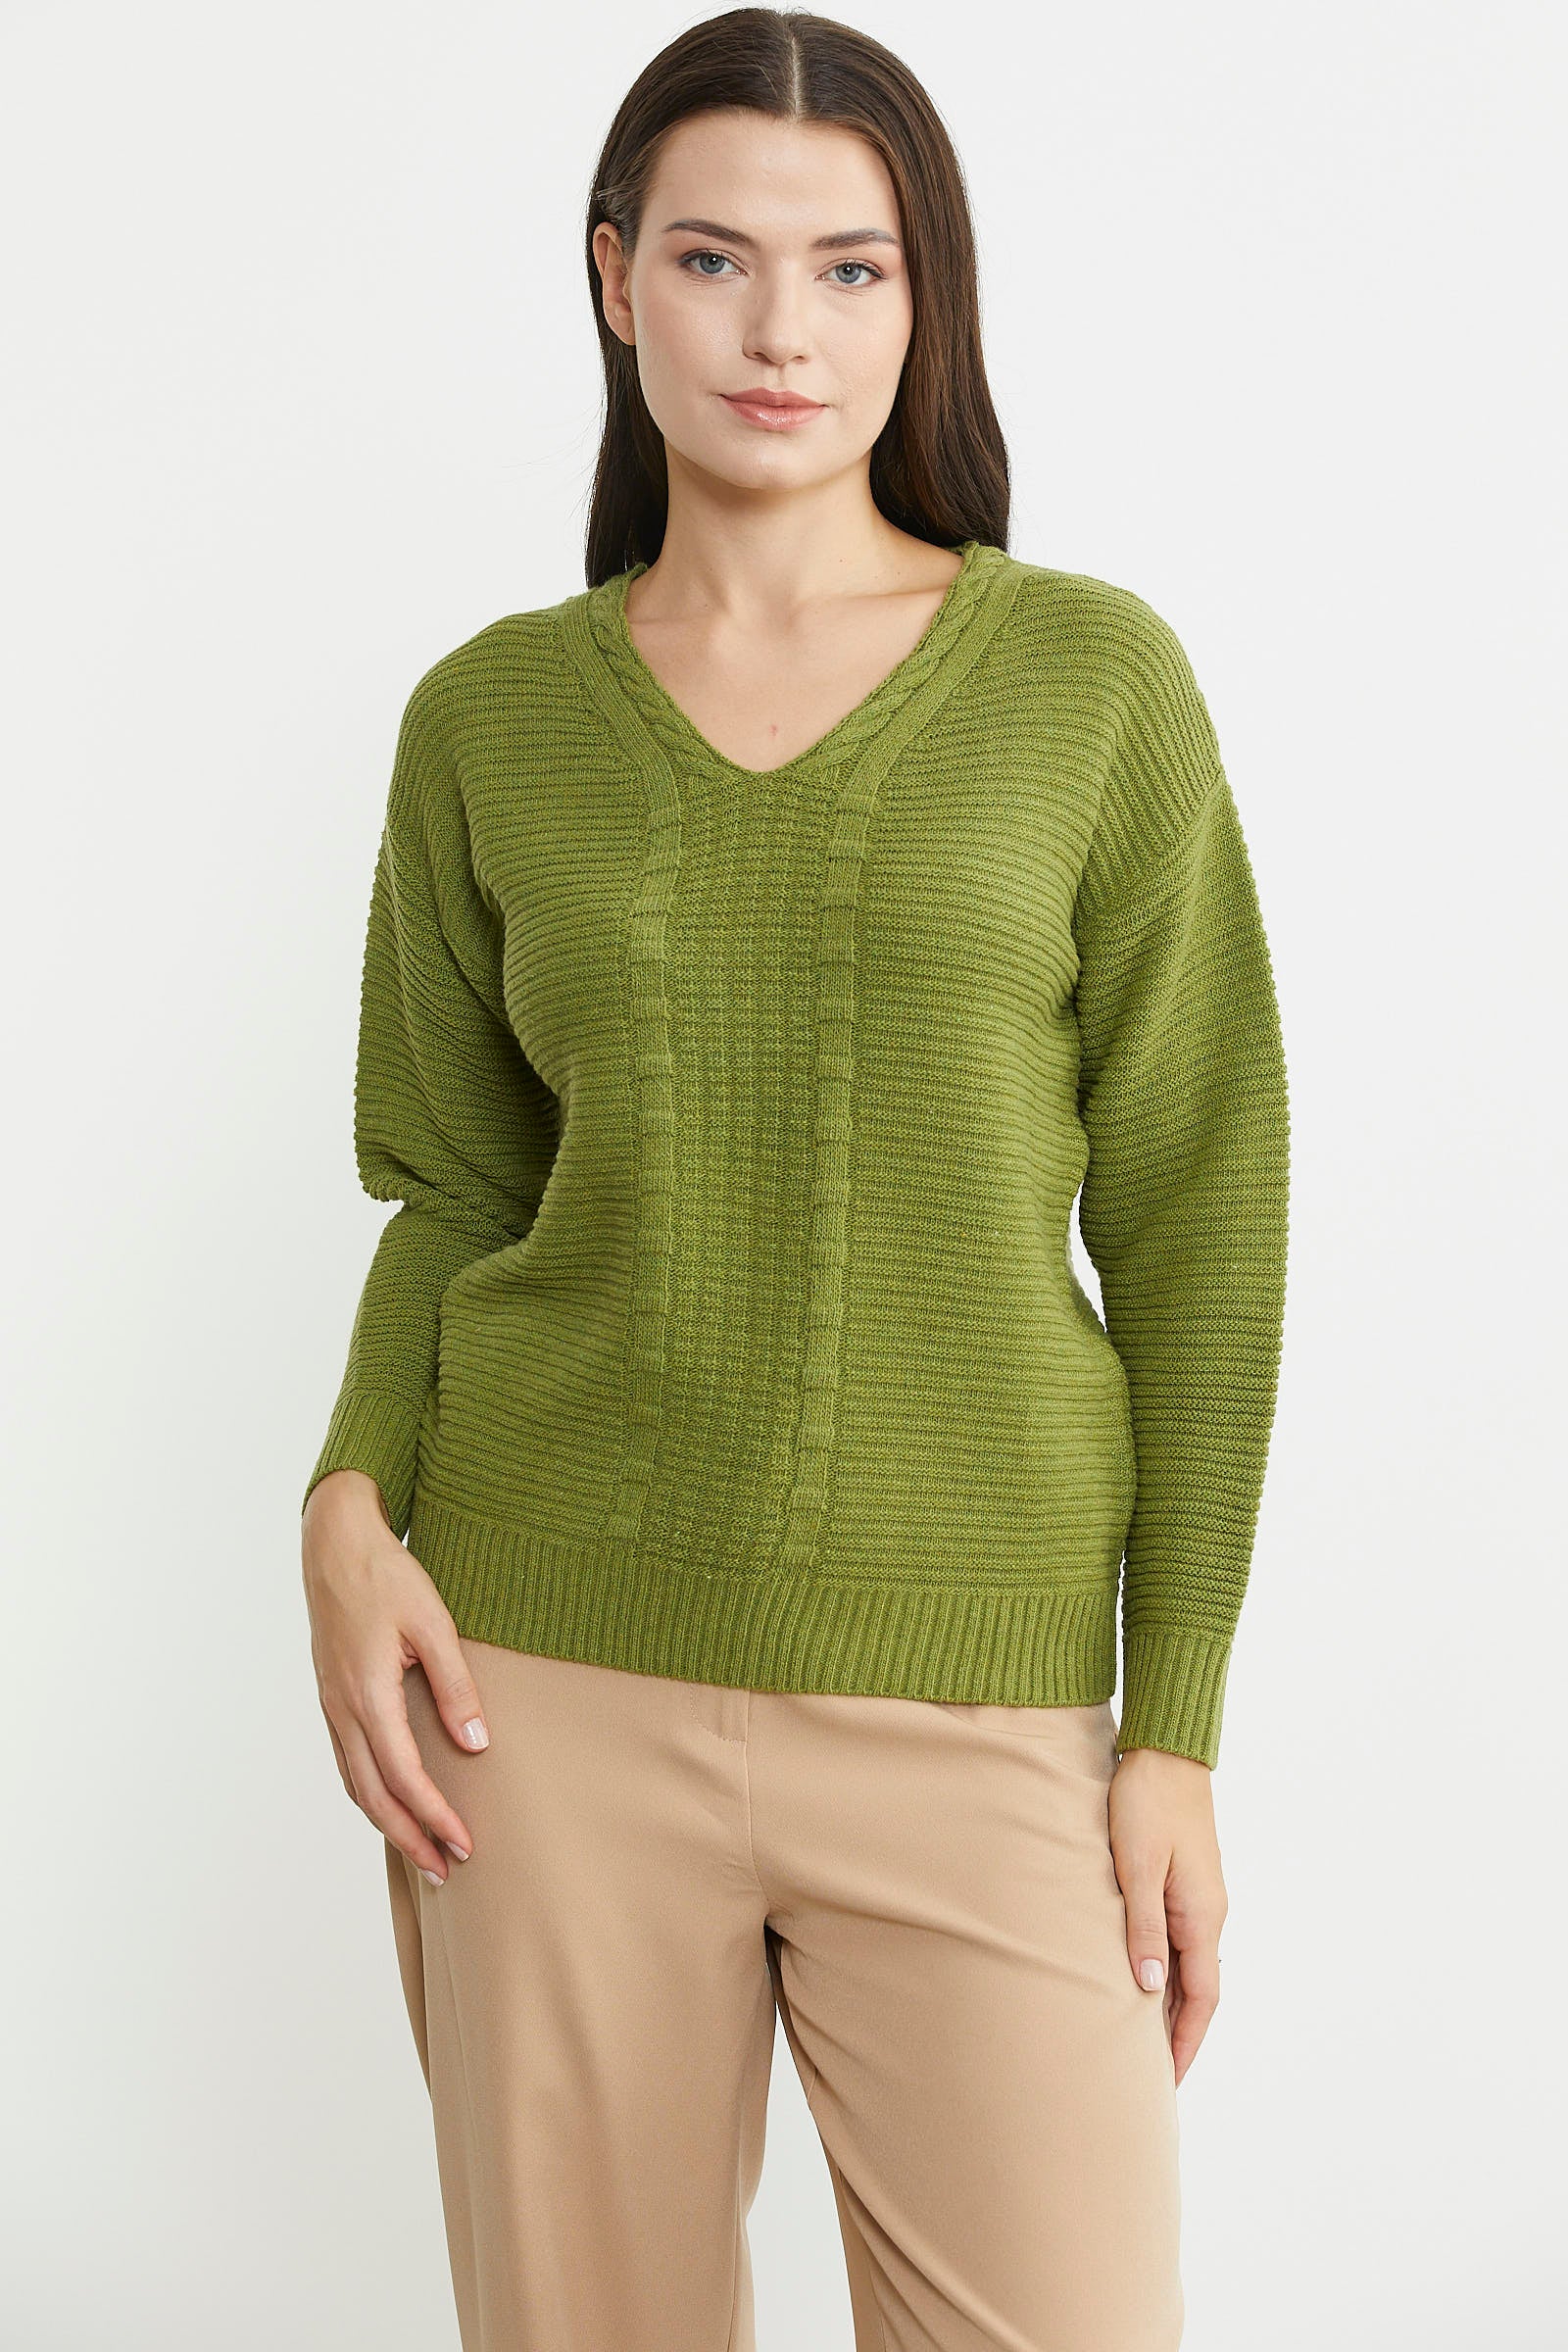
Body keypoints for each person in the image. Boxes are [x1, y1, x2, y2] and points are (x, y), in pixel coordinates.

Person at [299, 12, 1290, 2348]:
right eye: (715, 259)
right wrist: (343, 1505)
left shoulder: (1087, 687)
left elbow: (1199, 1212)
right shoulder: (487, 719)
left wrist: (1174, 1723)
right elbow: (451, 1190)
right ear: (612, 277)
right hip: (534, 1690)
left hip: (976, 1699)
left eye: (851, 269)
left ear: (923, 297)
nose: (782, 330)